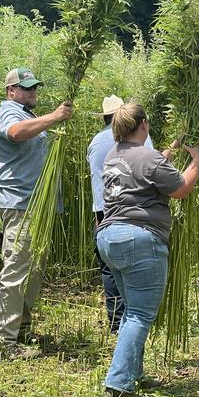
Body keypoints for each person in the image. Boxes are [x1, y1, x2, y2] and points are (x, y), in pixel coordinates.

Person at [96, 103, 199, 397]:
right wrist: (196, 160)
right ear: (143, 124)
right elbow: (180, 188)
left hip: (109, 238)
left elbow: (149, 168)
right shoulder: (148, 157)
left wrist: (172, 147)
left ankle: (133, 372)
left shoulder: (114, 156)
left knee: (132, 311)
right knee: (141, 314)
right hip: (139, 240)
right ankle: (118, 382)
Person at [0, 67, 72, 359]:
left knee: (32, 272)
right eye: (26, 88)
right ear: (11, 91)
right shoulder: (9, 113)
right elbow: (13, 133)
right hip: (20, 204)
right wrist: (54, 118)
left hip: (36, 206)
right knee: (15, 270)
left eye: (35, 87)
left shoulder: (28, 115)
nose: (33, 91)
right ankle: (2, 343)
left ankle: (21, 330)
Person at [87, 94, 153, 332]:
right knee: (137, 265)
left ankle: (116, 321)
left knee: (109, 268)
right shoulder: (140, 140)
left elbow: (97, 181)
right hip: (133, 210)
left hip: (103, 211)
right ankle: (136, 318)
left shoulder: (95, 142)